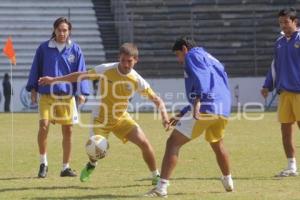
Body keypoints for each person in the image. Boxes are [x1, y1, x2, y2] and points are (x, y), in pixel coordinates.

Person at [39, 43, 170, 185]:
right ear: (119, 58)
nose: (126, 64)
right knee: (96, 151)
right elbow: (80, 76)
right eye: (123, 60)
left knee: (145, 143)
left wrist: (164, 116)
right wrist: (54, 80)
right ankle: (92, 164)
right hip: (100, 119)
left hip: (121, 118)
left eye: (129, 61)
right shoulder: (106, 69)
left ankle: (155, 175)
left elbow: (157, 100)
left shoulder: (136, 79)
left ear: (136, 60)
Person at [145, 36, 234, 197]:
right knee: (217, 142)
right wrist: (183, 112)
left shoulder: (192, 55)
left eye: (178, 55)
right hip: (223, 108)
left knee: (173, 142)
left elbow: (203, 79)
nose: (179, 60)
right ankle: (228, 181)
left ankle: (161, 187)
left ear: (185, 49)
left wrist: (198, 101)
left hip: (207, 106)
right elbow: (217, 82)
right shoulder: (210, 58)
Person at [26, 17, 90, 178]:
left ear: (69, 31)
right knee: (44, 127)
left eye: (65, 30)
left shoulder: (75, 49)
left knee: (68, 131)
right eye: (59, 30)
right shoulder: (43, 48)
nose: (62, 33)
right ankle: (43, 163)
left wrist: (81, 92)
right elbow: (35, 69)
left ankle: (65, 168)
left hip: (67, 96)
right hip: (47, 95)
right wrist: (33, 89)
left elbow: (81, 72)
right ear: (54, 30)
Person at [261, 8, 300, 177]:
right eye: (280, 23)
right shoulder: (279, 42)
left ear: (295, 21)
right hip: (284, 93)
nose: (283, 25)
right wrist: (267, 85)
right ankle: (291, 167)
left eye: (286, 22)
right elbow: (274, 67)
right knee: (285, 131)